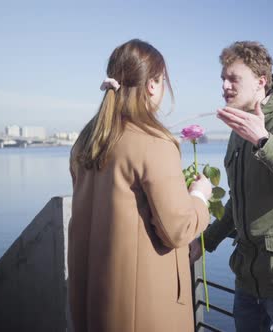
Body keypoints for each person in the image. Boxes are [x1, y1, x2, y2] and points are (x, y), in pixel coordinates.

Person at [68, 39, 212, 332]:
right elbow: (177, 229)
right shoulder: (154, 142)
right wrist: (199, 197)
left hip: (94, 303)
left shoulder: (87, 141)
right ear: (152, 85)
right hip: (146, 312)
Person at [191, 41, 273, 332]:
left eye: (233, 79)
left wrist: (263, 140)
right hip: (247, 277)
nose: (224, 86)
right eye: (222, 79)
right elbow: (238, 201)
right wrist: (205, 242)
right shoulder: (239, 129)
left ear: (261, 82)